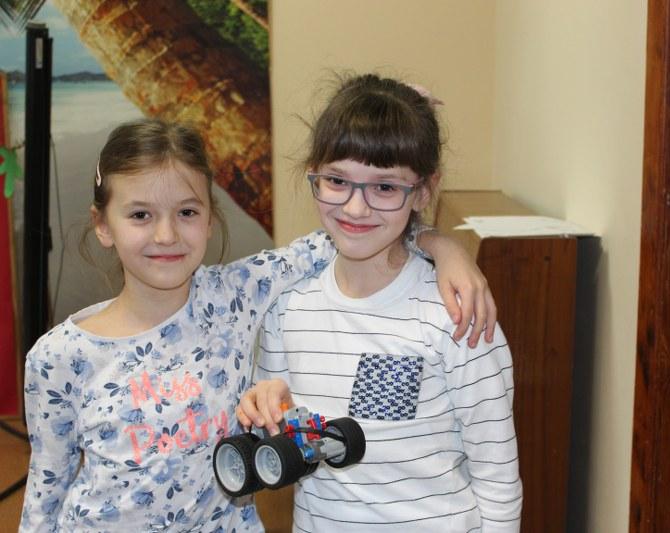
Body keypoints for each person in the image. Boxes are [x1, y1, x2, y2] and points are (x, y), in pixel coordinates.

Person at [19, 118, 497, 532]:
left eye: (187, 212)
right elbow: (45, 490)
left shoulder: (237, 294)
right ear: (103, 224)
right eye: (140, 215)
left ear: (210, 219)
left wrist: (441, 245)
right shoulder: (59, 358)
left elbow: (348, 231)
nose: (166, 234)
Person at [238, 74, 522, 532]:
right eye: (337, 180)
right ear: (314, 173)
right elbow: (286, 439)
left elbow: (497, 477)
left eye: (385, 187)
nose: (356, 208)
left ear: (424, 190)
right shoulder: (288, 305)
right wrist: (267, 408)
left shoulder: (455, 313)